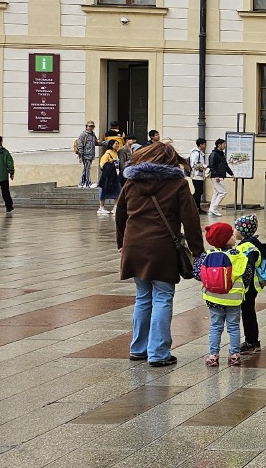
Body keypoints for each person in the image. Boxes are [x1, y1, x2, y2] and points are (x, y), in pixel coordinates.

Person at [115, 141, 202, 368]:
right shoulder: (178, 184)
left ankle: (138, 348)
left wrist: (121, 242)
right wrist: (198, 251)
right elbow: (190, 220)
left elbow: (120, 213)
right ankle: (159, 353)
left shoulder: (132, 182)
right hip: (162, 247)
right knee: (163, 297)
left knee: (143, 297)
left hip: (134, 246)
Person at [199, 222, 254, 367]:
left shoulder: (207, 255)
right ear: (225, 239)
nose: (234, 236)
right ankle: (235, 355)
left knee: (215, 326)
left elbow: (198, 273)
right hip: (233, 298)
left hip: (213, 298)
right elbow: (247, 274)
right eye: (231, 234)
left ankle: (213, 355)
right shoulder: (239, 255)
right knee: (234, 326)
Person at [234, 214, 266, 354]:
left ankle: (251, 341)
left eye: (236, 228)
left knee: (247, 313)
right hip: (252, 285)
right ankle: (253, 340)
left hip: (248, 285)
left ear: (242, 231)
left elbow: (247, 266)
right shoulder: (254, 243)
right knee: (249, 311)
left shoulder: (247, 246)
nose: (234, 231)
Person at [97, 141, 124, 215]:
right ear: (111, 145)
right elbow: (102, 165)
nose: (117, 145)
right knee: (104, 190)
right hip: (108, 176)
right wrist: (111, 163)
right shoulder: (107, 153)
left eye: (118, 144)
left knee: (118, 191)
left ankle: (115, 207)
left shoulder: (116, 153)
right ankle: (101, 207)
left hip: (116, 175)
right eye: (116, 144)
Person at [207, 138, 231, 217]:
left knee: (216, 192)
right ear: (219, 145)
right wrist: (216, 175)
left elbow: (225, 165)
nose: (225, 146)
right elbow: (212, 165)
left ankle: (211, 210)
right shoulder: (214, 154)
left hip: (219, 176)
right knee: (223, 192)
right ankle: (214, 208)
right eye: (224, 144)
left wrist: (231, 174)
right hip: (216, 176)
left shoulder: (221, 154)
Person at [75, 122, 98, 188]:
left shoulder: (93, 135)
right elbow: (80, 145)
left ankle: (82, 183)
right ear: (86, 127)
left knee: (86, 169)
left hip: (90, 154)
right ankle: (88, 183)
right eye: (89, 126)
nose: (91, 128)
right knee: (87, 169)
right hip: (85, 155)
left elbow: (96, 143)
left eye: (92, 126)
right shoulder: (83, 135)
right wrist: (81, 154)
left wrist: (107, 143)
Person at [188, 138, 209, 209]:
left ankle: (197, 207)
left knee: (199, 192)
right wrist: (202, 167)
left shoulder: (200, 153)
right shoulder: (195, 153)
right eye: (204, 144)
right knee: (199, 191)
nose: (205, 146)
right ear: (200, 144)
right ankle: (190, 203)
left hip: (199, 176)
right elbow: (194, 164)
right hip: (196, 175)